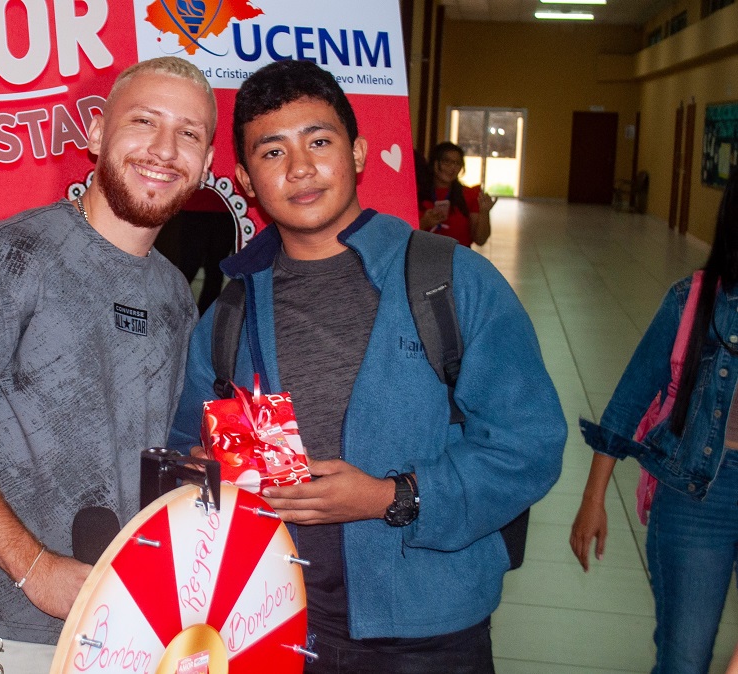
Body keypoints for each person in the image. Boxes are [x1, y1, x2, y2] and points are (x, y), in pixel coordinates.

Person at [168, 59, 565, 673]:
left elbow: (528, 444)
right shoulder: (230, 312)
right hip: (272, 626)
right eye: (272, 153)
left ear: (357, 153)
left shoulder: (449, 282)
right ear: (245, 178)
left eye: (319, 142)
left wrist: (389, 497)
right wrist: (205, 473)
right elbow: (186, 451)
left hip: (431, 636)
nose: (300, 168)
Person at [0, 56, 216, 672]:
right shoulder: (11, 255)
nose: (165, 149)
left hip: (115, 624)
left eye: (189, 134)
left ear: (206, 164)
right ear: (95, 132)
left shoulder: (175, 295)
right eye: (144, 121)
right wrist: (35, 569)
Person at [572, 174, 738, 674]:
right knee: (684, 658)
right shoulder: (694, 299)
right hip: (696, 497)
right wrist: (593, 499)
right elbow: (628, 401)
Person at [418, 141, 496, 247]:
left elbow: (480, 240)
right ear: (435, 163)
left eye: (457, 163)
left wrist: (484, 212)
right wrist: (423, 224)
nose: (452, 168)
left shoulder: (469, 195)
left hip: (458, 259)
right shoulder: (416, 194)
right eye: (447, 161)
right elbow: (403, 237)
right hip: (424, 257)